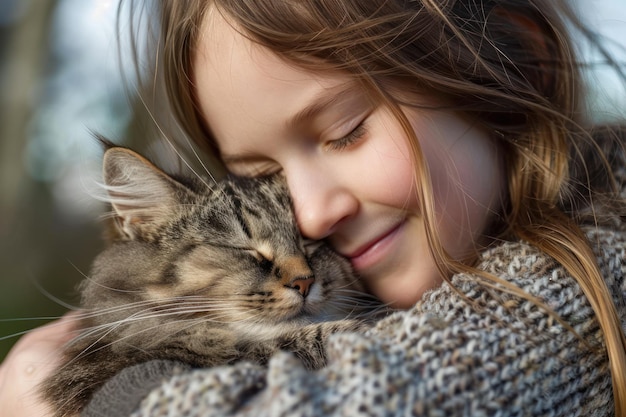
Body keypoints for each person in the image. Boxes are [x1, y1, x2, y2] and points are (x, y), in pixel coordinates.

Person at [2, 0, 626, 415]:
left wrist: (54, 399)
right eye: (264, 176)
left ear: (511, 60)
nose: (309, 215)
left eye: (347, 130)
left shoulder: (592, 275)